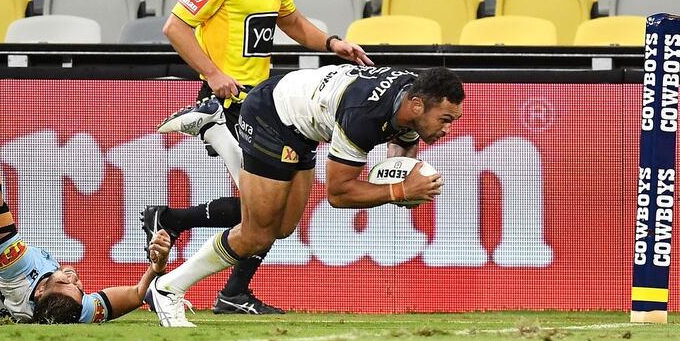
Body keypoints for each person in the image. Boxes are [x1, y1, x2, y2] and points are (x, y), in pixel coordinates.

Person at [150, 0, 372, 315]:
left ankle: (174, 222)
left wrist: (332, 43)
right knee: (264, 214)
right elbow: (175, 27)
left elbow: (291, 21)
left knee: (278, 218)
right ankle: (230, 291)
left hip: (262, 101)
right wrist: (213, 74)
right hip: (227, 102)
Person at [147, 65, 464, 326]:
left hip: (302, 125)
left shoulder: (412, 98)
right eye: (445, 120)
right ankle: (168, 287)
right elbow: (338, 194)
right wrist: (401, 190)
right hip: (270, 117)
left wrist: (404, 173)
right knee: (257, 234)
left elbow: (402, 143)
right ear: (418, 106)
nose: (447, 130)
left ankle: (216, 127)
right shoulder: (364, 116)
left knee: (281, 229)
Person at [0, 85, 174, 324]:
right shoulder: (75, 310)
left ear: (39, 291)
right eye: (78, 286)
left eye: (63, 282)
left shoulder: (15, 267)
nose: (73, 278)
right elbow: (138, 293)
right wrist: (158, 269)